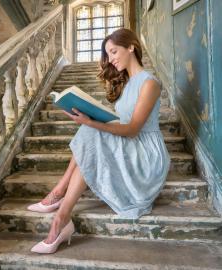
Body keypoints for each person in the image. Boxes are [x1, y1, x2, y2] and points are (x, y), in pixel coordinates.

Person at [28, 28, 171, 254]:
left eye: (114, 52)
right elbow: (118, 124)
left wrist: (90, 122)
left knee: (92, 131)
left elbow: (133, 130)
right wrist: (92, 119)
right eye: (108, 54)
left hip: (146, 154)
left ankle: (59, 207)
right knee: (91, 133)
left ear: (131, 47)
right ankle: (60, 208)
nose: (111, 59)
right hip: (129, 145)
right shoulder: (127, 84)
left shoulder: (149, 83)